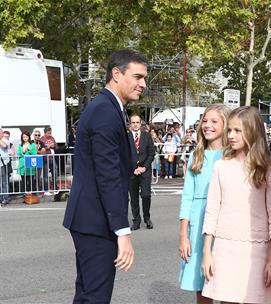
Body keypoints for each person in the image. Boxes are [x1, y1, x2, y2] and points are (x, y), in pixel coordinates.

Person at [63, 49, 148, 303]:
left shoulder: (109, 107)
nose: (143, 83)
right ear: (116, 74)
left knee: (88, 294)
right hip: (96, 222)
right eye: (137, 77)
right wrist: (123, 232)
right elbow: (107, 176)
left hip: (91, 219)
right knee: (95, 297)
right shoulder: (104, 110)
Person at [201, 106, 271, 304]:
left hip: (258, 252)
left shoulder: (268, 170)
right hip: (225, 248)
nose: (231, 135)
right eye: (229, 130)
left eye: (238, 130)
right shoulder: (221, 166)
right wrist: (207, 253)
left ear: (252, 131)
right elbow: (212, 211)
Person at [178, 104, 231, 304]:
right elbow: (187, 197)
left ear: (226, 124)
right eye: (205, 121)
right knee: (201, 287)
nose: (207, 125)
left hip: (225, 222)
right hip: (198, 224)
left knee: (227, 285)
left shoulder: (232, 155)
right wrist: (184, 235)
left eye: (214, 121)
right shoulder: (196, 155)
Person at [128, 114, 156, 230]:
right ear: (130, 124)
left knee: (146, 195)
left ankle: (147, 217)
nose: (135, 124)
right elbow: (123, 154)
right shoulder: (126, 137)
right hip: (132, 172)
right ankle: (136, 221)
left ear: (140, 123)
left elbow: (151, 153)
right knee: (134, 197)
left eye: (137, 122)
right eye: (133, 122)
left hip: (145, 171)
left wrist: (144, 167)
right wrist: (132, 168)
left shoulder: (147, 136)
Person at [0, 128, 11, 206]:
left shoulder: (5, 140)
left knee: (4, 182)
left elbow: (4, 146)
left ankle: (5, 198)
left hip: (3, 164)